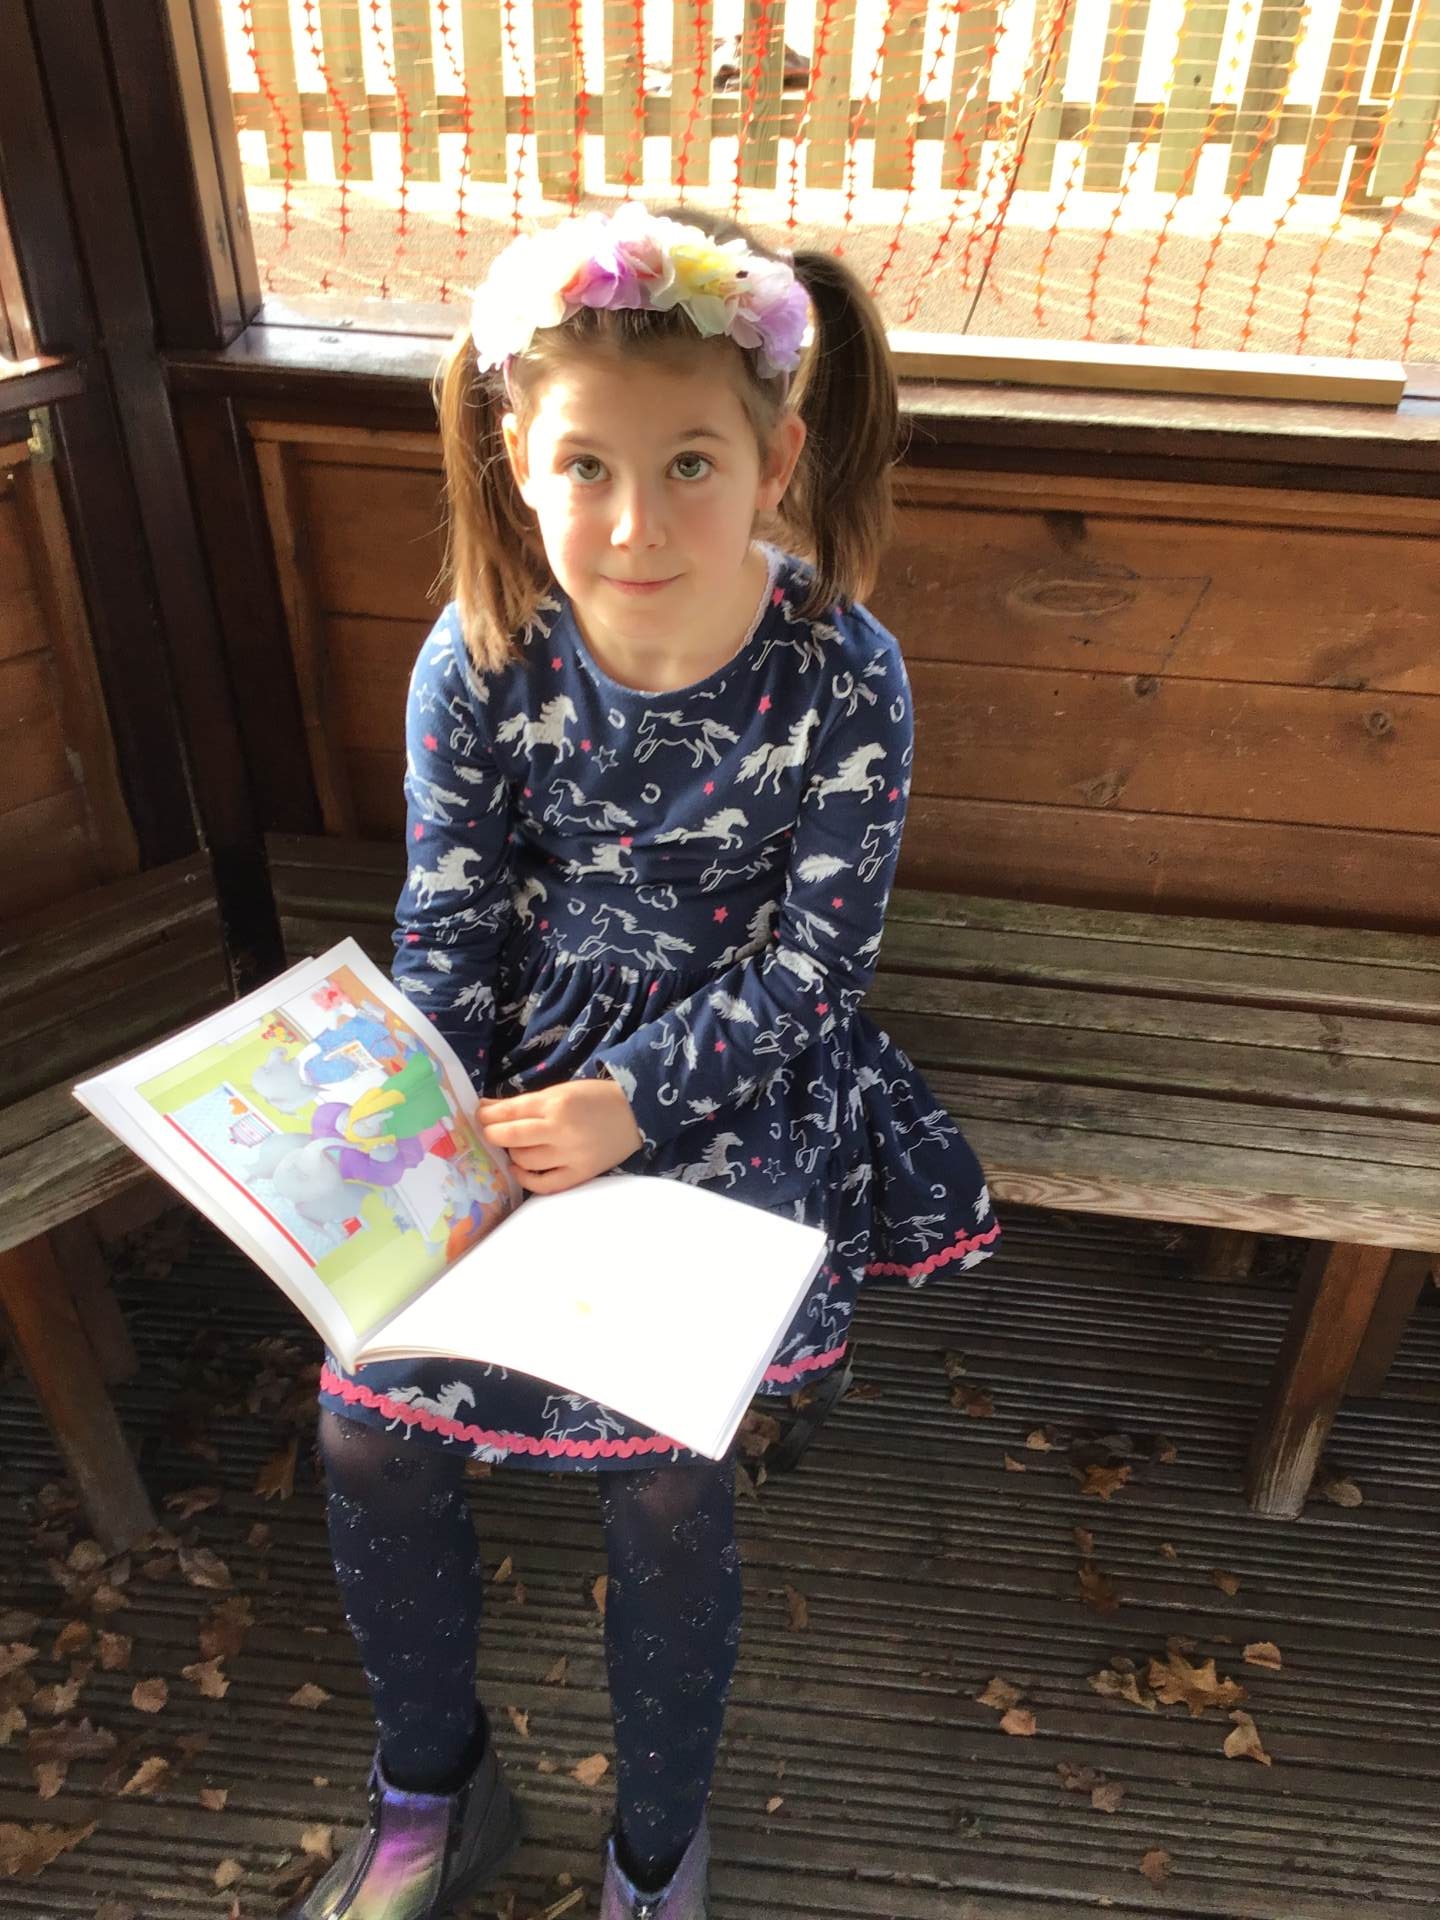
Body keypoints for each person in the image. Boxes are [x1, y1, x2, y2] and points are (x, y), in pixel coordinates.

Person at [294, 200, 1002, 1920]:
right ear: (516, 462)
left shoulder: (842, 672)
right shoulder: (480, 655)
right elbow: (451, 925)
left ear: (775, 462)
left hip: (740, 1079)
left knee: (668, 1469)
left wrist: (636, 1103)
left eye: (690, 464)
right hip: (522, 1079)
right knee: (367, 1426)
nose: (634, 521)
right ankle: (432, 1793)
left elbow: (818, 967)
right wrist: (429, 1128)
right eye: (586, 468)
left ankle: (658, 1851)